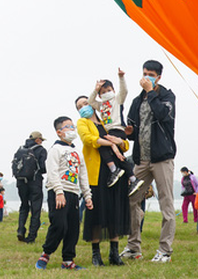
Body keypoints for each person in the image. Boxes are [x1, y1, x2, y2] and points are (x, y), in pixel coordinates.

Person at [121, 60, 177, 263]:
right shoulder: (137, 101)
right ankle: (133, 246)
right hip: (141, 159)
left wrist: (151, 92)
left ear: (159, 77)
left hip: (162, 158)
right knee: (131, 200)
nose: (147, 77)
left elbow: (163, 115)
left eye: (151, 74)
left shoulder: (167, 96)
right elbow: (134, 129)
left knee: (166, 203)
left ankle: (165, 250)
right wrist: (130, 133)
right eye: (145, 73)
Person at [76, 94, 130, 267]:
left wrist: (119, 142)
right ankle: (96, 254)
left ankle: (114, 253)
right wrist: (111, 144)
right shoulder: (83, 123)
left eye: (86, 103)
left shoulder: (107, 121)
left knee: (115, 209)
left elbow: (125, 144)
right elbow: (89, 140)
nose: (84, 106)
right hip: (96, 172)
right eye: (80, 106)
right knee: (96, 213)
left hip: (115, 171)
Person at [35, 116, 93, 270]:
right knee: (59, 225)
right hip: (58, 192)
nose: (72, 129)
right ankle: (46, 253)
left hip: (74, 193)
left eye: (73, 126)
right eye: (68, 127)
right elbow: (52, 172)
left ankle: (68, 260)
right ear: (59, 132)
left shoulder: (76, 151)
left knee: (73, 228)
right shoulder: (55, 150)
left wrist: (87, 196)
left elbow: (83, 175)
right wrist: (58, 192)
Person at [88, 69, 143, 194]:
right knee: (117, 156)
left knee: (101, 145)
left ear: (113, 90)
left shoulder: (117, 100)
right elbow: (91, 101)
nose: (106, 93)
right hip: (109, 132)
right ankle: (133, 178)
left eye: (109, 90)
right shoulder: (101, 105)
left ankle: (113, 169)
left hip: (117, 130)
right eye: (103, 92)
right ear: (100, 95)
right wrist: (95, 90)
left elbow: (124, 91)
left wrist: (121, 77)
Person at [15, 131, 48, 244]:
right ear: (37, 140)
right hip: (35, 182)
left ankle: (20, 229)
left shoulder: (21, 150)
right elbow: (43, 167)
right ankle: (31, 237)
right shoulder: (41, 150)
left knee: (24, 206)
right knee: (35, 210)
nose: (42, 142)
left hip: (21, 182)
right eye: (41, 140)